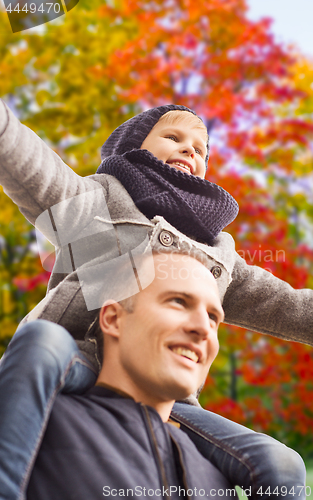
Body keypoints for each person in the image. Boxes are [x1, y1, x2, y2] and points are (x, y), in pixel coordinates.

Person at [0, 100, 307, 500]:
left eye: (201, 148)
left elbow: (287, 305)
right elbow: (31, 163)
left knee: (283, 464)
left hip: (169, 395)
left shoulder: (218, 255)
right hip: (80, 358)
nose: (190, 150)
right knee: (40, 343)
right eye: (174, 137)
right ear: (134, 148)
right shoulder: (98, 207)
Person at [24, 253, 296, 498]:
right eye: (178, 301)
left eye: (213, 317)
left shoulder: (219, 480)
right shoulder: (36, 425)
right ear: (113, 319)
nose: (203, 328)